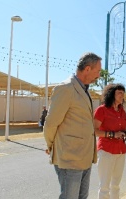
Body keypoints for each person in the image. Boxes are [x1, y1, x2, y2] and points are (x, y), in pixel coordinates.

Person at [43, 52, 102, 199]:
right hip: (70, 157)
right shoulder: (66, 88)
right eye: (98, 71)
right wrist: (52, 146)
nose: (99, 75)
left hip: (85, 157)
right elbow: (51, 124)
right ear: (87, 69)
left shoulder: (83, 89)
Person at [94, 83, 126, 199]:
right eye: (119, 93)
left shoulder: (122, 111)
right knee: (104, 187)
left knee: (116, 186)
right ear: (111, 94)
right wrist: (112, 134)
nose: (122, 95)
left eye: (123, 93)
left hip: (121, 151)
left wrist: (125, 133)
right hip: (106, 151)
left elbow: (123, 127)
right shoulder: (102, 110)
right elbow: (94, 131)